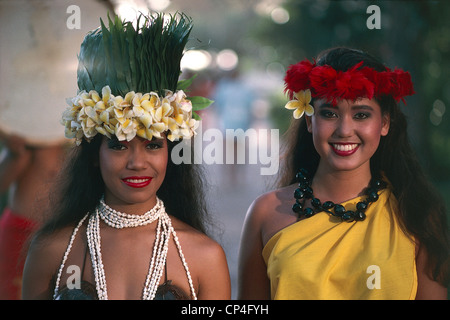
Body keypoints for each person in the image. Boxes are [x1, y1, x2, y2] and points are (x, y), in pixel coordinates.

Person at [22, 12, 230, 300]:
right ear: (95, 155)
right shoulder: (52, 249)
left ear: (170, 152)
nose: (137, 162)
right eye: (119, 145)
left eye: (153, 145)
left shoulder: (205, 257)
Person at [238, 47, 449, 300]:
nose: (345, 130)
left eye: (361, 114)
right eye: (329, 113)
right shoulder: (264, 213)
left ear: (384, 123)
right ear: (309, 121)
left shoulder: (417, 214)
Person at [0, 133, 65, 299]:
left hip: (63, 238)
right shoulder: (30, 132)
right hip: (19, 233)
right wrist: (14, 154)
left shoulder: (90, 137)